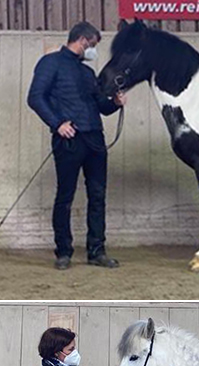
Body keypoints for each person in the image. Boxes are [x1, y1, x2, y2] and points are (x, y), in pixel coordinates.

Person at [27, 21, 126, 271]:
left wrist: (114, 102)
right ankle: (63, 252)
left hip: (94, 139)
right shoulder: (50, 63)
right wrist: (58, 123)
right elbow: (35, 97)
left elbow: (100, 107)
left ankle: (96, 251)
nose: (92, 49)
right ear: (82, 40)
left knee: (98, 196)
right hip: (69, 139)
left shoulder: (87, 73)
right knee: (65, 196)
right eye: (92, 45)